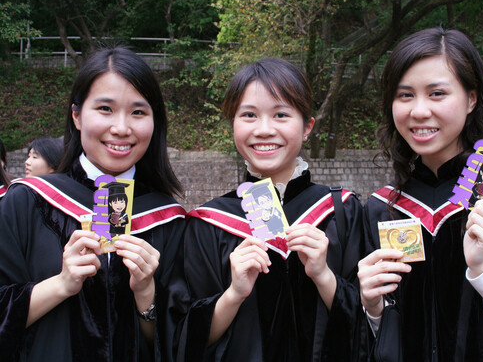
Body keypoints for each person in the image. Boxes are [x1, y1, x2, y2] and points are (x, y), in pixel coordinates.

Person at [358, 27, 483, 361]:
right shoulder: (385, 208)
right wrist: (372, 308)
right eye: (405, 95)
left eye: (437, 93)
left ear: (471, 98)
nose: (419, 111)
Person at [0, 46, 188, 361]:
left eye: (138, 112)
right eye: (105, 109)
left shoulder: (168, 219)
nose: (122, 128)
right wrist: (61, 285)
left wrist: (145, 294)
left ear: (154, 122)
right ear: (76, 115)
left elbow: (182, 344)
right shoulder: (27, 202)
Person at [177, 57, 366, 361]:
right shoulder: (207, 223)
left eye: (281, 114)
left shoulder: (342, 211)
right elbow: (185, 340)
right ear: (233, 125)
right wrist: (234, 294)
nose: (264, 130)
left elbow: (371, 328)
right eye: (249, 115)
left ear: (307, 127)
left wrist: (323, 275)